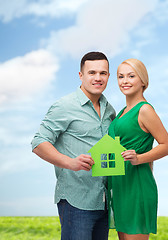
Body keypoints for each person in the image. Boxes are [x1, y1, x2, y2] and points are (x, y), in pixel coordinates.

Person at [31, 51, 115, 240]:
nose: (98, 78)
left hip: (103, 201)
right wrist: (70, 162)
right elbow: (38, 142)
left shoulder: (109, 110)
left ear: (109, 76)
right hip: (75, 201)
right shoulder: (64, 105)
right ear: (81, 75)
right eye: (92, 73)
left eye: (103, 73)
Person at [108, 58, 168, 240]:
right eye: (120, 76)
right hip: (120, 186)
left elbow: (167, 145)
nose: (125, 81)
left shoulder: (144, 110)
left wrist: (139, 158)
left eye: (131, 76)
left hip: (137, 186)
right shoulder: (121, 113)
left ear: (143, 81)